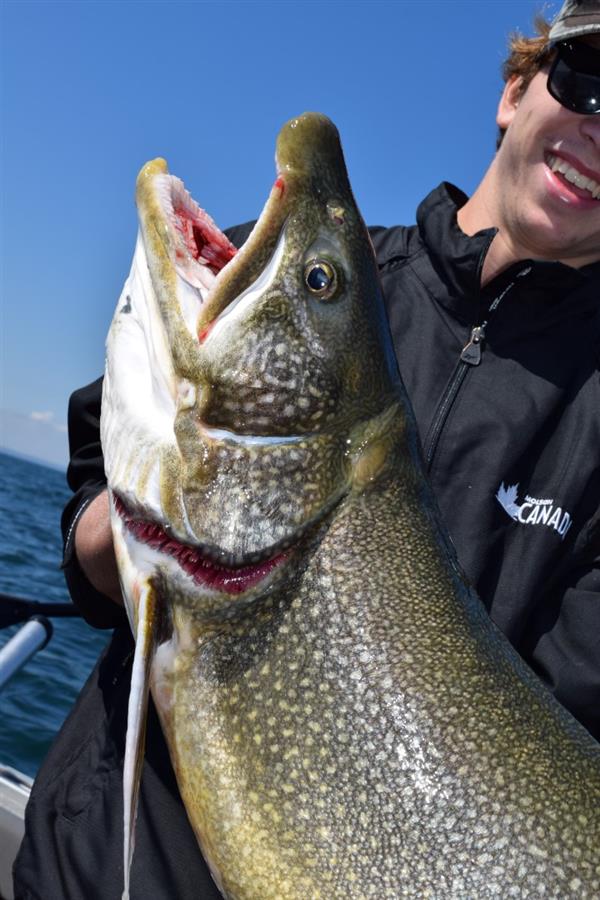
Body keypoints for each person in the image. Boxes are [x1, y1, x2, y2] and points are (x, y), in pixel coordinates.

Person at [13, 2, 600, 897]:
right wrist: (139, 541)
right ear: (515, 90)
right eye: (585, 80)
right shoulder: (310, 280)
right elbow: (95, 483)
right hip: (93, 867)